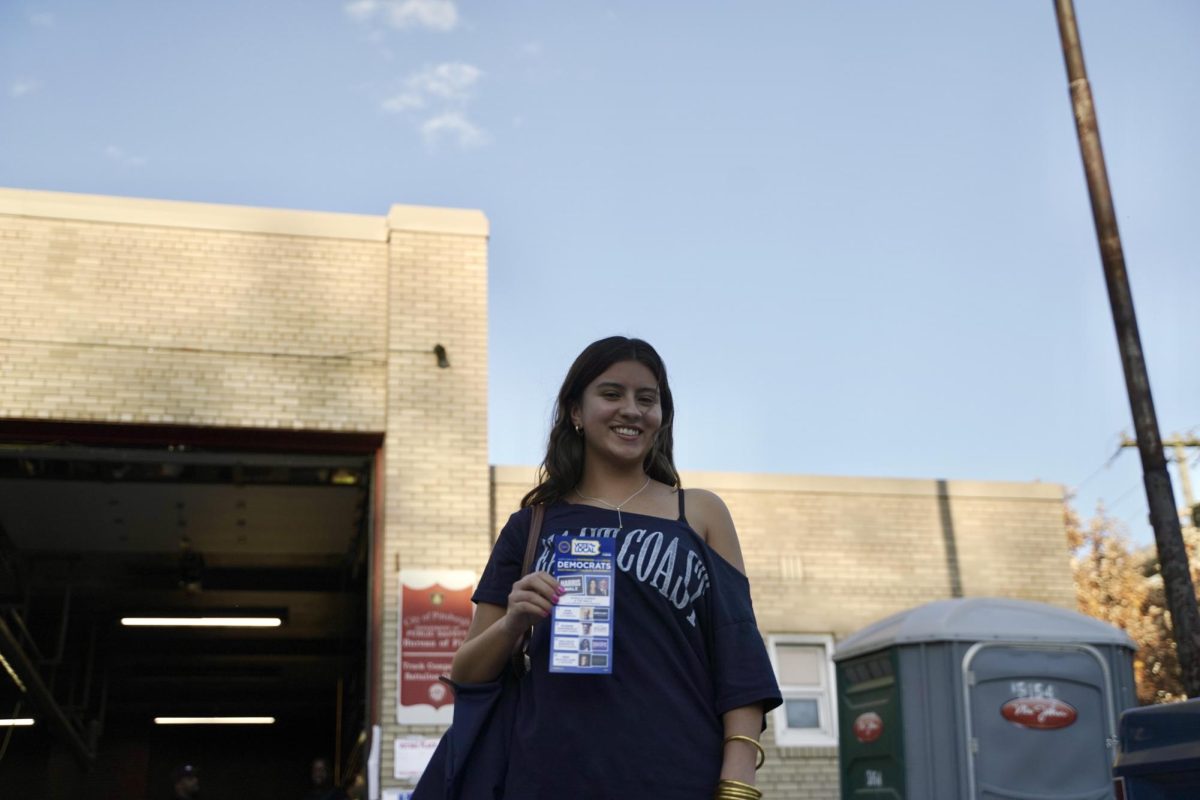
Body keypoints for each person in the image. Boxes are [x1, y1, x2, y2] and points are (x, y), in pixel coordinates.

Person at [452, 336, 781, 799]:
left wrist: (737, 778)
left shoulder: (701, 513)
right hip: (548, 777)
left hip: (680, 775)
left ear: (661, 417)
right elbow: (466, 673)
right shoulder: (531, 525)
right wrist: (513, 623)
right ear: (576, 412)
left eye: (647, 399)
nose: (632, 409)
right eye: (611, 394)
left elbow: (739, 653)